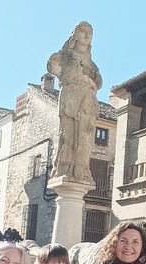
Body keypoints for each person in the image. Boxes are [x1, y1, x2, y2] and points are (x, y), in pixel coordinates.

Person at [47, 21, 102, 183]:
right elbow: (53, 67)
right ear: (75, 35)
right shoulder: (64, 56)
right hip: (71, 97)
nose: (86, 35)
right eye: (83, 31)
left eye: (90, 32)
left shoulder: (92, 64)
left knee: (86, 137)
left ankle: (81, 168)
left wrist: (90, 74)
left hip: (88, 101)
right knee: (68, 136)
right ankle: (65, 167)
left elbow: (99, 82)